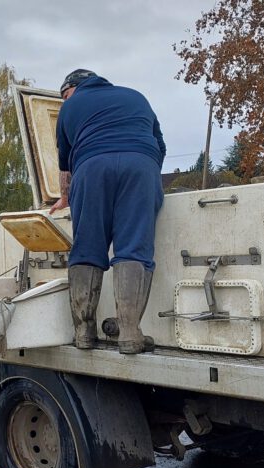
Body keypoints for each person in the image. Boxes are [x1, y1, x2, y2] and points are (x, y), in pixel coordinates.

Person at [50, 69, 166, 354]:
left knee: (87, 246)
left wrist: (65, 196)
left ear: (74, 88)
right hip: (141, 165)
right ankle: (130, 335)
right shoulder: (136, 97)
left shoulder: (69, 108)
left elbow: (66, 164)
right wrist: (145, 177)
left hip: (91, 168)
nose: (65, 100)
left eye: (65, 94)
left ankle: (84, 332)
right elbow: (160, 146)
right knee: (134, 247)